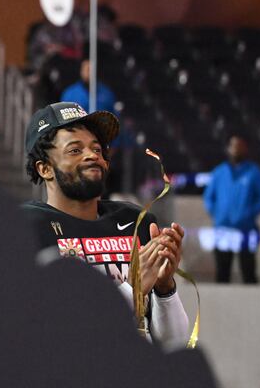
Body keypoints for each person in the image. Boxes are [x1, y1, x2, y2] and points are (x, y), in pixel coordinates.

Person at [20, 102, 189, 348]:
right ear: (45, 168)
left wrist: (165, 289)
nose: (92, 156)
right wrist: (132, 288)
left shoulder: (135, 221)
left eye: (97, 149)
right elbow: (54, 330)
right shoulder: (26, 228)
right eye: (75, 150)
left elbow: (174, 344)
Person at [203, 134, 260, 283]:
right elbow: (208, 197)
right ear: (228, 148)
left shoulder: (254, 172)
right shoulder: (219, 172)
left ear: (245, 149)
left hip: (245, 230)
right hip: (222, 230)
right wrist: (217, 214)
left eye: (240, 146)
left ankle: (252, 304)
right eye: (234, 146)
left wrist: (249, 213)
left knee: (249, 272)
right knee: (222, 273)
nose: (236, 149)